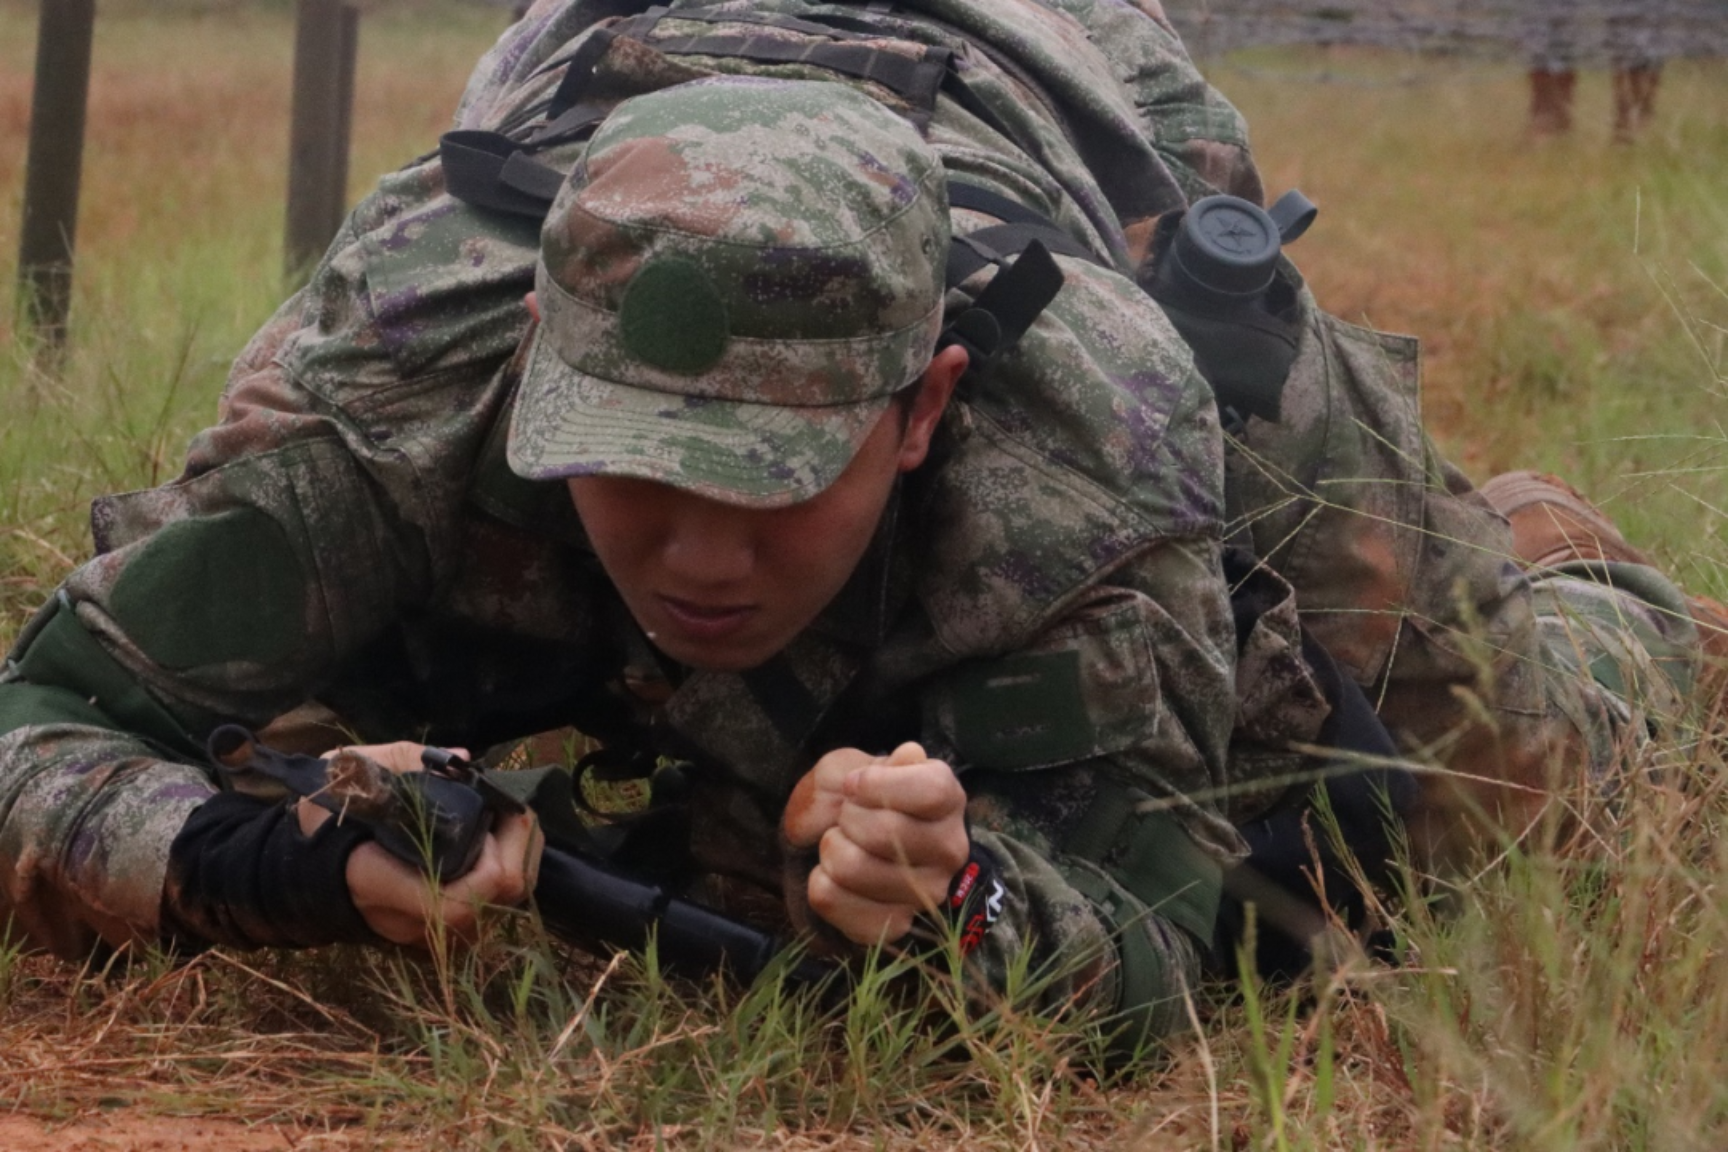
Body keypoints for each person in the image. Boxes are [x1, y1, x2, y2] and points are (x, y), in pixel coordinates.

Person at [0, 0, 1716, 1051]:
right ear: (538, 364)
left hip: (1070, 88)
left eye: (771, 476)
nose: (701, 557)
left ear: (921, 410)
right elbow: (38, 724)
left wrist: (969, 903)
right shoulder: (388, 396)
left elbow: (1176, 919)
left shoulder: (1085, 445)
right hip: (630, 51)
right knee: (301, 724)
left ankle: (1586, 585)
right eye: (633, 464)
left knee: (1473, 791)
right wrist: (253, 860)